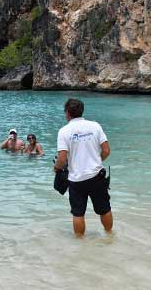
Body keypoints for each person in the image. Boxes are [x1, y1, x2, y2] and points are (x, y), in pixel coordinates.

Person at [54, 98, 113, 237]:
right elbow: (106, 151)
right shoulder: (95, 126)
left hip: (76, 180)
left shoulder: (64, 131)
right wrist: (96, 161)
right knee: (104, 209)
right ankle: (110, 236)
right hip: (96, 176)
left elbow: (62, 159)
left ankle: (80, 244)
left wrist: (56, 168)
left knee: (78, 212)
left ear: (68, 113)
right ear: (82, 111)